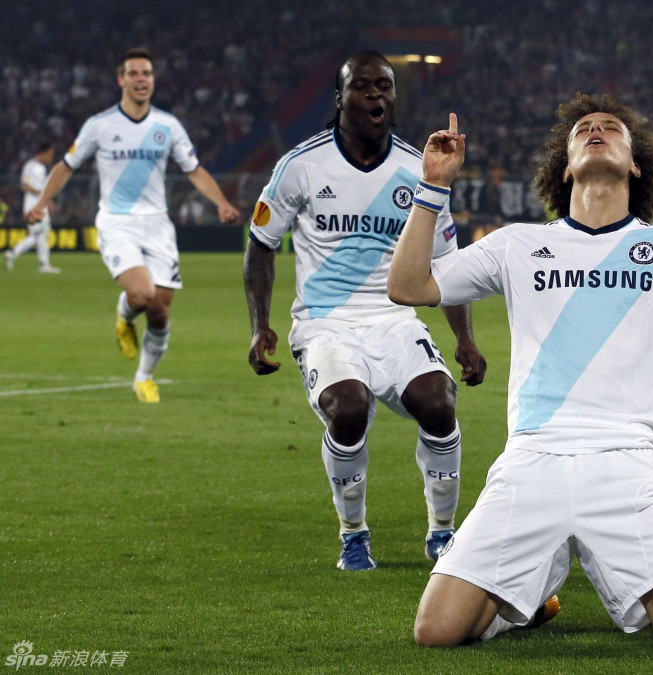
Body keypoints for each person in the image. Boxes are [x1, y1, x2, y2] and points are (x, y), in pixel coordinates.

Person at [388, 94, 653, 649]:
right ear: (564, 165)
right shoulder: (519, 245)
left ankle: (627, 578)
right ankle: (524, 604)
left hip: (629, 461)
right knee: (435, 632)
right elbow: (408, 287)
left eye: (611, 128)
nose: (596, 129)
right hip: (533, 458)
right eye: (584, 128)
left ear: (636, 164)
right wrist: (433, 186)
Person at [243, 51, 487, 571]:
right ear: (340, 98)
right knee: (348, 408)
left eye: (385, 86)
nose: (376, 94)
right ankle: (353, 533)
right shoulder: (300, 166)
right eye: (363, 86)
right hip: (325, 324)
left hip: (395, 319)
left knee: (438, 402)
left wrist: (465, 339)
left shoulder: (417, 171)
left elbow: (446, 262)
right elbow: (261, 243)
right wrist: (260, 325)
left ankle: (443, 534)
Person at [26, 47, 240, 403]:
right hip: (116, 222)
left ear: (153, 81)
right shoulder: (100, 125)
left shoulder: (168, 126)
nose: (142, 80)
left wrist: (221, 203)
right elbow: (66, 165)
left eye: (147, 74)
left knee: (160, 308)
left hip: (157, 224)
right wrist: (42, 201)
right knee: (142, 294)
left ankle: (144, 377)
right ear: (121, 79)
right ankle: (124, 316)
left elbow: (194, 170)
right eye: (135, 73)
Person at [6, 140, 61, 273]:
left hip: (41, 204)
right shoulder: (31, 166)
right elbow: (24, 185)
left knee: (43, 233)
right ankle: (14, 253)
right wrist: (42, 194)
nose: (51, 157)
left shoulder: (41, 168)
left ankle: (44, 264)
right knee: (38, 233)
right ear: (44, 153)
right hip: (32, 205)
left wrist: (49, 202)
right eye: (50, 154)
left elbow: (44, 187)